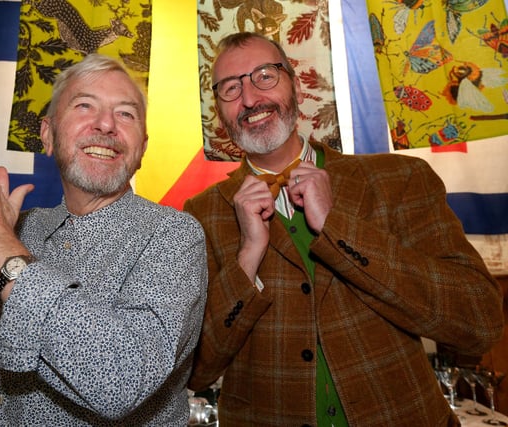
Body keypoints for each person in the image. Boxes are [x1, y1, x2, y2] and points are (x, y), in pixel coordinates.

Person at [183, 32, 504, 426]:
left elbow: (479, 322)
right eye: (231, 89)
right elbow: (196, 369)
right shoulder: (199, 215)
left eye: (265, 76)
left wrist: (338, 227)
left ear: (295, 84)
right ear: (218, 111)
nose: (250, 99)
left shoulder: (400, 178)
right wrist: (247, 260)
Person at [0, 53, 208, 426]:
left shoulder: (175, 236)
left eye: (126, 114)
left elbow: (122, 378)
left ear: (142, 148)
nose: (106, 124)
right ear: (47, 135)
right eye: (85, 105)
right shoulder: (14, 228)